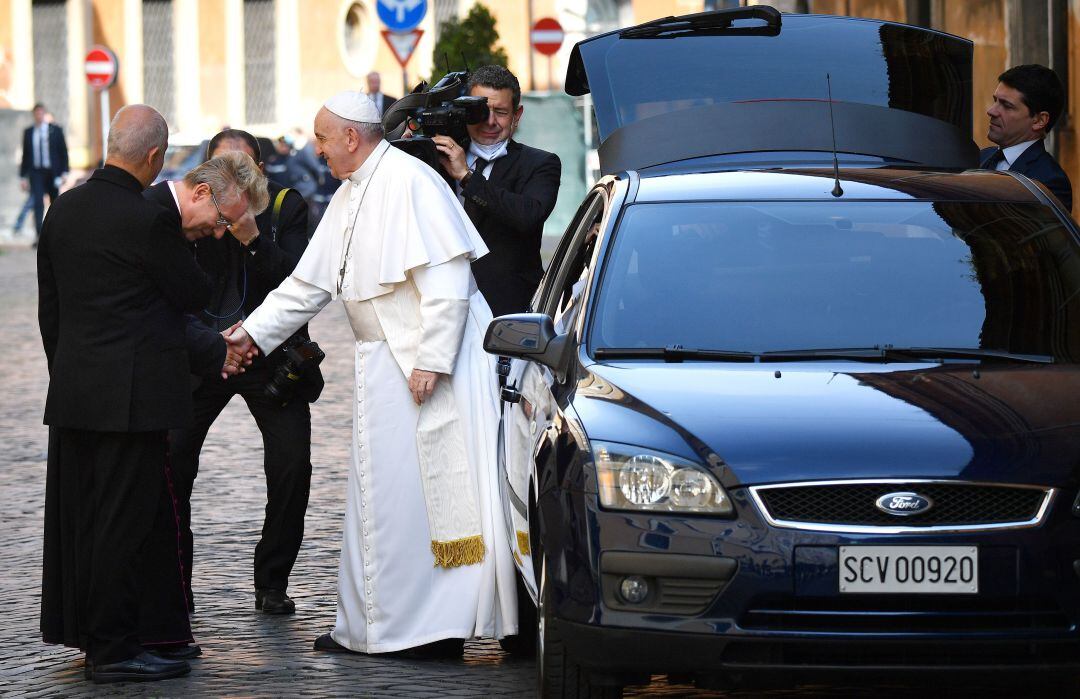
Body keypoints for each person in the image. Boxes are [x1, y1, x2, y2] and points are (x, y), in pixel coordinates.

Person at [225, 91, 517, 656]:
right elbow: (307, 287)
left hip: (425, 362)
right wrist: (249, 335)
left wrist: (431, 359)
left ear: (351, 138)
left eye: (322, 138)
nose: (317, 149)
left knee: (421, 500)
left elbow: (448, 280)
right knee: (379, 498)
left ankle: (432, 630)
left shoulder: (411, 180)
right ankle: (373, 628)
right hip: (382, 360)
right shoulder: (351, 191)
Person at [37, 105, 248, 684]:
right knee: (122, 526)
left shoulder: (64, 209)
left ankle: (101, 639)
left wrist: (73, 374)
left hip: (78, 394)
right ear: (156, 157)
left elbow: (51, 312)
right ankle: (113, 650)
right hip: (133, 401)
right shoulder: (146, 219)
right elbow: (190, 291)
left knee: (85, 521)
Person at [148, 130, 318, 616]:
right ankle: (177, 582)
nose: (233, 180)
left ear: (260, 171)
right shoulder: (191, 216)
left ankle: (272, 581)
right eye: (222, 169)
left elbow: (298, 285)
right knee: (172, 460)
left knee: (291, 467)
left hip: (272, 357)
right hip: (205, 355)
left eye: (243, 169)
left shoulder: (286, 208)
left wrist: (253, 239)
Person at [431, 65, 561, 317]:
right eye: (481, 111)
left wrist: (467, 177)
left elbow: (528, 216)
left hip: (508, 309)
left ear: (517, 115)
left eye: (501, 112)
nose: (490, 121)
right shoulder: (436, 159)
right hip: (443, 307)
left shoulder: (540, 163)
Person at [982, 63, 1072, 211]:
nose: (991, 111)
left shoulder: (1049, 181)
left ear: (1039, 120)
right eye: (995, 101)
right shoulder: (980, 158)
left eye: (1007, 105)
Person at [19, 104, 69, 241]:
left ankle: (54, 235)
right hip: (36, 173)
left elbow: (63, 152)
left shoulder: (55, 130)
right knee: (37, 203)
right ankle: (39, 236)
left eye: (41, 113)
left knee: (55, 203)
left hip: (53, 172)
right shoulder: (28, 132)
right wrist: (22, 177)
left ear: (45, 114)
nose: (39, 116)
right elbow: (26, 155)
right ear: (34, 115)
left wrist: (65, 172)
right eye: (36, 113)